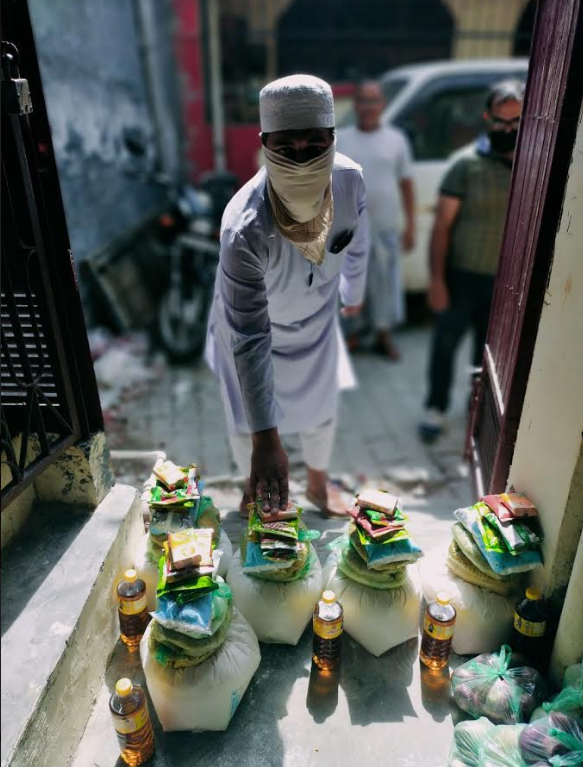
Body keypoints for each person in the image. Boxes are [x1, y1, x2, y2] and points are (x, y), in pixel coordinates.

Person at [205, 74, 369, 516]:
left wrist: (353, 290)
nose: (301, 160)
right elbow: (250, 337)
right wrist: (267, 442)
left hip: (317, 323)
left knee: (322, 408)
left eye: (314, 146)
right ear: (265, 145)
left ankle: (317, 485)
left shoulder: (349, 180)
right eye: (286, 149)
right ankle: (256, 485)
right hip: (256, 331)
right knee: (246, 419)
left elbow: (357, 239)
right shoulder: (243, 228)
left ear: (332, 139)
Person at [419, 79, 525, 442]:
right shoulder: (465, 165)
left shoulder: (532, 167)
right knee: (445, 345)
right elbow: (442, 226)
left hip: (503, 285)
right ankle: (435, 407)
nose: (507, 129)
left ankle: (476, 415)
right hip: (460, 276)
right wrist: (436, 280)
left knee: (486, 358)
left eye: (515, 122)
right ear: (487, 118)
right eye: (500, 121)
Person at [337, 81, 416, 360]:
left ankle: (383, 336)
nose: (368, 107)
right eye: (363, 100)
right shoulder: (341, 139)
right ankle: (353, 335)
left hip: (384, 228)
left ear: (382, 105)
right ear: (355, 105)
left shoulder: (396, 139)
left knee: (384, 286)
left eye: (373, 101)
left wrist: (411, 226)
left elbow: (406, 184)